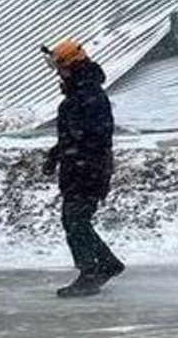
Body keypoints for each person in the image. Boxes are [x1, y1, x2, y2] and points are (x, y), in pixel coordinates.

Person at [40, 39, 124, 298]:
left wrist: (76, 152)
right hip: (80, 166)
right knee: (76, 219)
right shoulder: (80, 93)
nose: (57, 72)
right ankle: (105, 264)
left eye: (59, 66)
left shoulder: (89, 95)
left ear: (72, 65)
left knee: (75, 220)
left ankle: (92, 271)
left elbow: (97, 133)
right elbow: (70, 135)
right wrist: (56, 156)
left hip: (89, 168)